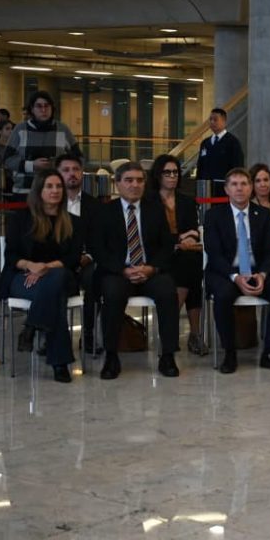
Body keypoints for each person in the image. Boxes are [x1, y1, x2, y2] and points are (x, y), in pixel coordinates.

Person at [90, 161, 180, 380]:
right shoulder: (104, 212)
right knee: (112, 293)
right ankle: (111, 356)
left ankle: (168, 355)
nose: (135, 185)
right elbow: (98, 249)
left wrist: (151, 268)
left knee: (168, 291)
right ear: (117, 183)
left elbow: (167, 245)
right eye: (129, 180)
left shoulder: (155, 209)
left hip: (149, 271)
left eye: (139, 180)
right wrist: (123, 270)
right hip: (118, 272)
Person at [0, 170, 84, 383]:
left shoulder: (73, 222)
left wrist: (45, 267)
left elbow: (73, 258)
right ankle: (59, 363)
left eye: (58, 186)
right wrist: (32, 266)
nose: (55, 191)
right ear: (38, 190)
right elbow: (11, 256)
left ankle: (32, 325)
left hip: (60, 276)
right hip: (23, 277)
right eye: (49, 186)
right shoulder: (21, 218)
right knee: (56, 295)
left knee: (57, 278)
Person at [204, 167, 270, 374]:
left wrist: (262, 274)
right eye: (234, 184)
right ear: (226, 189)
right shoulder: (214, 215)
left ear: (251, 188)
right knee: (223, 296)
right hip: (226, 272)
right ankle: (229, 353)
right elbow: (214, 254)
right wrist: (235, 277)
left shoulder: (263, 215)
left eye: (244, 184)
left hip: (257, 271)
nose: (239, 189)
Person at [148, 154, 207, 356]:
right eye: (167, 172)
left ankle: (173, 329)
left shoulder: (187, 201)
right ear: (158, 175)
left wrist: (189, 237)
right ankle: (193, 334)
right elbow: (152, 235)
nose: (172, 176)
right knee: (192, 269)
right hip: (159, 255)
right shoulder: (148, 201)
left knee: (191, 261)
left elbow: (193, 229)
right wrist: (179, 238)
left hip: (184, 253)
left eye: (175, 172)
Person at [56, 152, 101, 354]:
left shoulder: (94, 205)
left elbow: (100, 240)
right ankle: (54, 335)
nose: (71, 174)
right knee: (57, 279)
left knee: (95, 278)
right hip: (58, 263)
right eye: (66, 170)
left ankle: (88, 335)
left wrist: (88, 257)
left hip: (86, 261)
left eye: (75, 169)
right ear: (57, 174)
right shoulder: (51, 203)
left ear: (82, 173)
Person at [3, 91, 82, 201]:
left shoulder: (62, 129)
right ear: (32, 109)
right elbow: (7, 159)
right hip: (25, 191)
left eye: (47, 106)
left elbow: (79, 158)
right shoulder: (20, 129)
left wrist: (59, 165)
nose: (43, 110)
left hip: (55, 191)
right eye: (39, 106)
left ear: (52, 108)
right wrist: (31, 165)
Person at [197, 107, 244, 197]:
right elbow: (200, 167)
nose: (212, 122)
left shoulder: (232, 142)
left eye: (215, 120)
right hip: (206, 190)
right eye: (210, 119)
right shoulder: (205, 143)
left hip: (224, 190)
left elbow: (237, 167)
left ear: (224, 121)